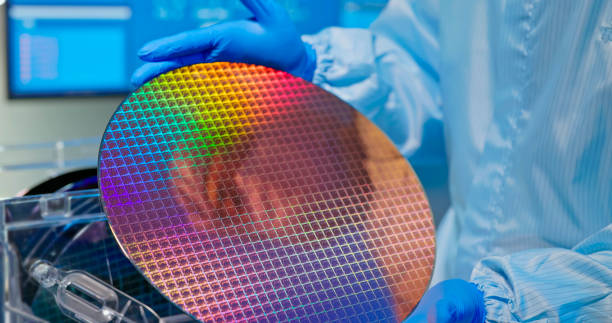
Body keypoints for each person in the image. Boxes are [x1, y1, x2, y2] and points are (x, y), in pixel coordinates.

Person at [131, 0, 612, 321]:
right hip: (453, 275)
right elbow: (427, 67)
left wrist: (522, 302)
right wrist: (311, 71)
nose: (253, 193)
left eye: (231, 194)